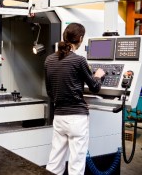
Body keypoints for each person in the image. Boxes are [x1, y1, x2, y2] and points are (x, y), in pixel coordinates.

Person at [44, 22, 105, 175]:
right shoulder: (79, 60)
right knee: (76, 164)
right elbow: (95, 87)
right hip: (77, 119)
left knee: (54, 161)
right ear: (80, 38)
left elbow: (50, 92)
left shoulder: (49, 60)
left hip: (59, 117)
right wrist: (98, 76)